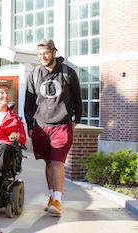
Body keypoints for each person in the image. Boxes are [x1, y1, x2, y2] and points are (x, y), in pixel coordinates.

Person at [24, 39, 82, 217]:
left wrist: (76, 119)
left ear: (54, 52)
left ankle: (57, 200)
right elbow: (29, 102)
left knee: (57, 162)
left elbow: (78, 98)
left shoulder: (68, 72)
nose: (42, 57)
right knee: (49, 162)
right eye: (39, 54)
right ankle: (52, 196)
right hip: (41, 126)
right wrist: (30, 126)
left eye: (46, 53)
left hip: (61, 125)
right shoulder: (34, 74)